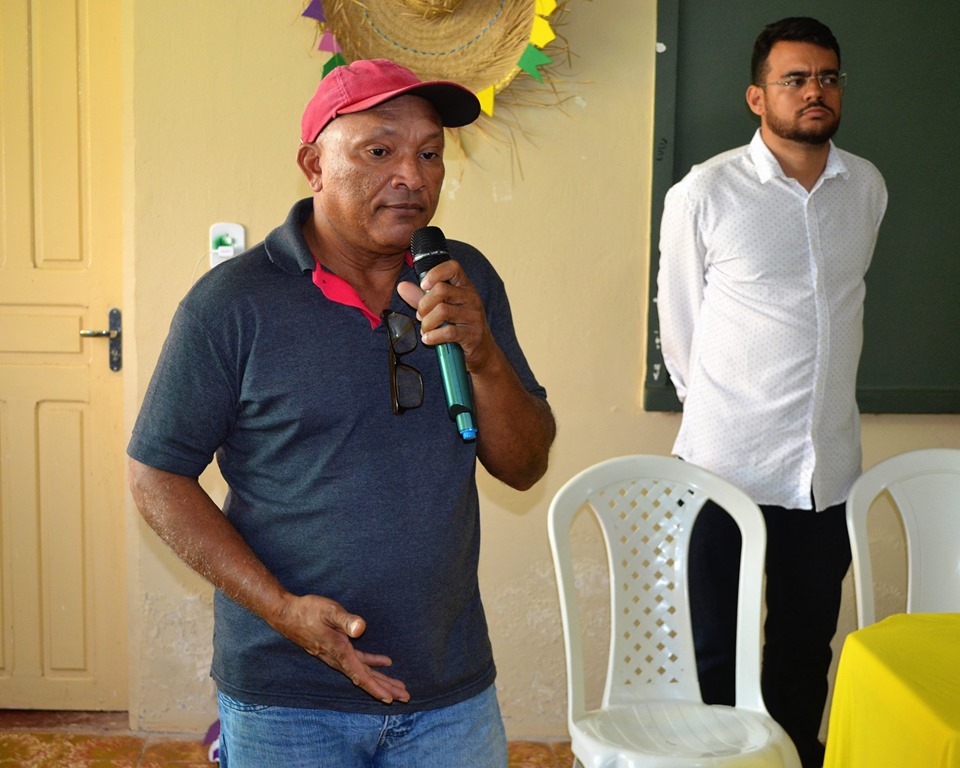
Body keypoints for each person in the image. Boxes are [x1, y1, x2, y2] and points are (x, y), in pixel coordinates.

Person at [127, 58, 556, 768]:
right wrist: (282, 611)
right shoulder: (231, 305)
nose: (413, 177)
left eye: (429, 154)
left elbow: (524, 464)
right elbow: (156, 476)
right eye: (379, 150)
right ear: (314, 165)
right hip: (287, 695)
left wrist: (482, 356)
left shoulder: (462, 277)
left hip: (449, 689)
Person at [656, 17, 887, 768]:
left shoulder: (867, 187)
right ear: (758, 96)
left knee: (801, 652)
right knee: (716, 658)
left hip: (827, 475)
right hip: (728, 470)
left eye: (827, 76)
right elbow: (680, 331)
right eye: (795, 78)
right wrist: (728, 415)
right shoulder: (706, 192)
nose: (814, 91)